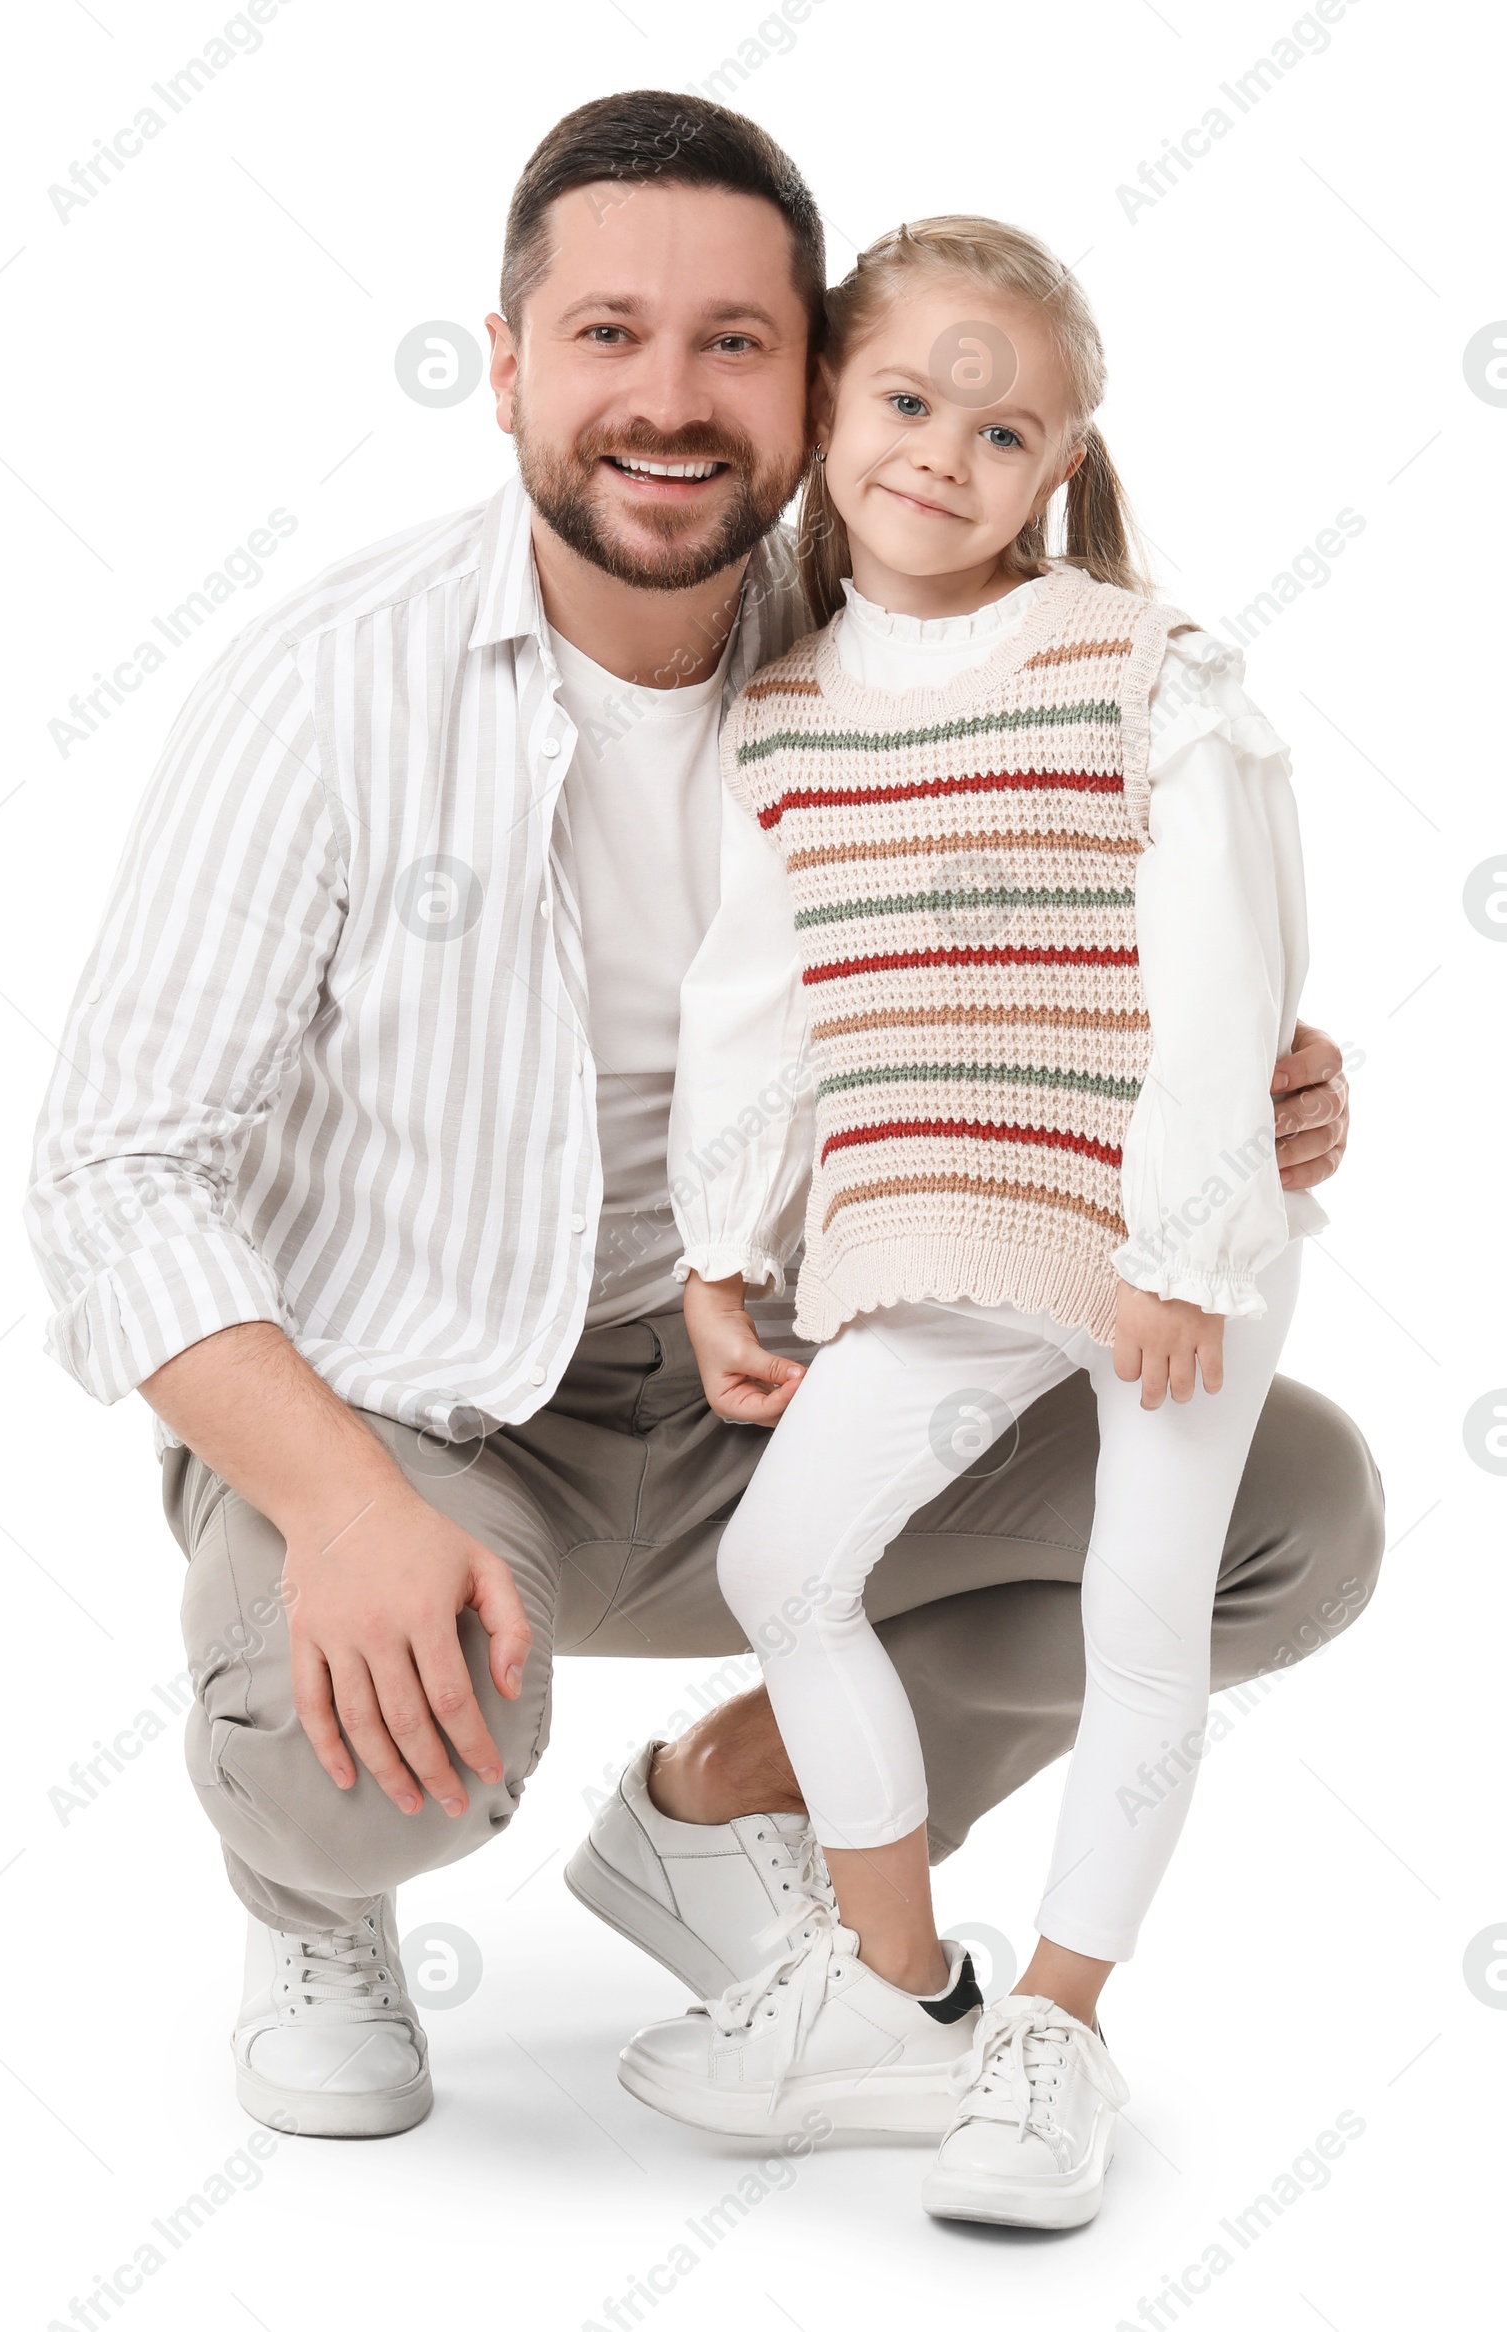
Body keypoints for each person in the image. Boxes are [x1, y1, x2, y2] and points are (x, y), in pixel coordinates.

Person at [22, 92, 1376, 2145]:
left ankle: (730, 1808)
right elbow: (114, 1168)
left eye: (733, 342)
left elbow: (1070, 944)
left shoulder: (896, 665)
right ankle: (308, 1898)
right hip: (425, 1412)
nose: (667, 400)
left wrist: (1239, 1079)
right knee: (367, 1747)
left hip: (780, 1376)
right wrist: (339, 1499)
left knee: (1289, 1522)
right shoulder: (328, 686)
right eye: (603, 336)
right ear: (501, 365)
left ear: (821, 386)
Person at [617, 214, 1334, 2227]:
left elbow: (1220, 963)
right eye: (910, 401)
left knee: (1138, 1610)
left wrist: (1186, 1243)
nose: (944, 452)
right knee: (784, 1564)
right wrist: (715, 1245)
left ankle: (1057, 2024)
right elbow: (758, 1003)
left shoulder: (1135, 663)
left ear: (1060, 463)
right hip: (942, 1224)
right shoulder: (785, 717)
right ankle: (897, 1978)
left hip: (1153, 1233)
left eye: (1001, 430)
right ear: (831, 399)